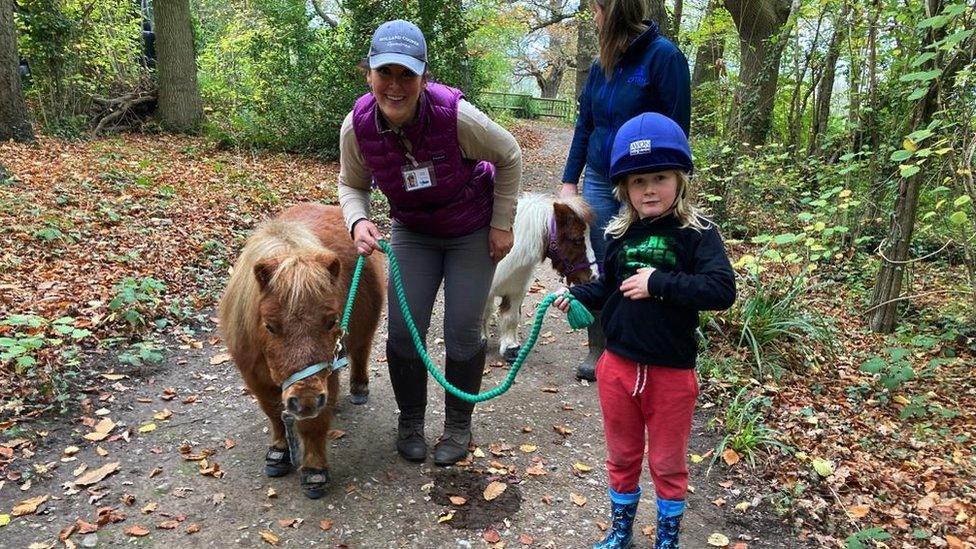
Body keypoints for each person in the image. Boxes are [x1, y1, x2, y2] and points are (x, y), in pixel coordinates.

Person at [337, 20, 523, 466]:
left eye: (407, 75)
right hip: (414, 232)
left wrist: (501, 223)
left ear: (424, 76)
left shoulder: (455, 117)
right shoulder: (357, 126)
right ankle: (411, 421)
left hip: (470, 230)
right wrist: (358, 220)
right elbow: (351, 184)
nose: (395, 86)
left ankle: (458, 424)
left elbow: (510, 155)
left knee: (461, 331)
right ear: (369, 74)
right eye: (385, 73)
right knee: (403, 332)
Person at [552, 113, 734, 549]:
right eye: (638, 181)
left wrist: (659, 283)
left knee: (669, 463)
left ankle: (667, 537)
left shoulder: (698, 234)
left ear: (680, 180)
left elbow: (721, 289)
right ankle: (621, 532)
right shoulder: (618, 234)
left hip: (671, 373)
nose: (649, 189)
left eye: (660, 177)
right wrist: (578, 296)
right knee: (622, 456)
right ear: (624, 189)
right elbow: (609, 289)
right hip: (617, 367)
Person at [561, 0, 691, 382]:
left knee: (644, 257)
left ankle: (644, 343)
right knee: (604, 261)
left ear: (613, 11)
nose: (593, 16)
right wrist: (571, 180)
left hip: (644, 181)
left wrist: (675, 188)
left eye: (597, 10)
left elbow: (677, 131)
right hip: (602, 178)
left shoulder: (664, 58)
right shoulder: (602, 62)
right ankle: (601, 346)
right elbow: (585, 123)